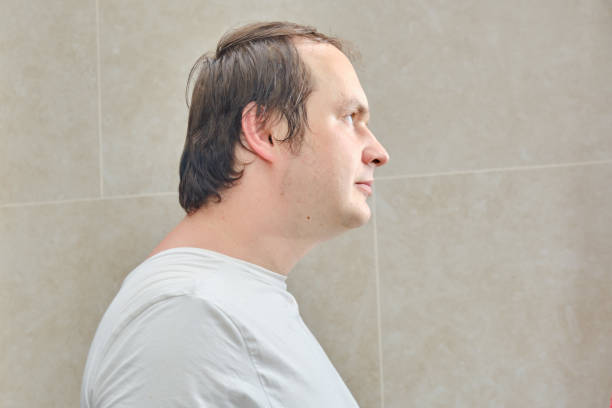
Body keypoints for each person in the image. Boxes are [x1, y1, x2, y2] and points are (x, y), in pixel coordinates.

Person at [80, 21, 389, 407]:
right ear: (263, 130)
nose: (378, 151)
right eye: (349, 117)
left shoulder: (223, 305)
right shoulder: (185, 315)